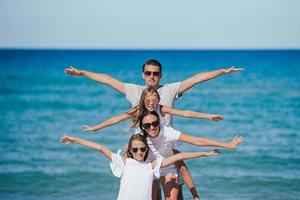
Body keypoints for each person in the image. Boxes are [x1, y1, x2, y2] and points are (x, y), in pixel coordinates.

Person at [65, 59, 244, 199]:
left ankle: (195, 196)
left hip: (166, 145)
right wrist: (82, 73)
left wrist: (222, 72)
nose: (152, 76)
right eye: (148, 73)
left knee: (179, 167)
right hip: (143, 149)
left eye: (155, 74)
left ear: (161, 75)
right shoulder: (135, 92)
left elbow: (196, 81)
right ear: (143, 74)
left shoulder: (170, 91)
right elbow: (109, 81)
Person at [60, 134, 220, 200]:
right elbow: (101, 148)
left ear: (146, 150)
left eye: (142, 149)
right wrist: (77, 140)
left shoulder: (152, 165)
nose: (139, 152)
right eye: (135, 149)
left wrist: (204, 153)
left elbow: (180, 157)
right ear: (130, 150)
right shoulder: (124, 162)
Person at [138, 111, 244, 200]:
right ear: (142, 127)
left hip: (168, 168)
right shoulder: (140, 138)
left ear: (159, 123)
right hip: (149, 169)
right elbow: (129, 154)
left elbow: (196, 140)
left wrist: (226, 144)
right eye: (147, 125)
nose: (152, 127)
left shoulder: (168, 132)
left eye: (155, 123)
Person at [82, 85, 223, 132]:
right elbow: (116, 119)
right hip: (143, 143)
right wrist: (95, 128)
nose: (151, 103)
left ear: (158, 100)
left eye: (154, 100)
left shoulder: (161, 109)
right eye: (148, 100)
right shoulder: (137, 110)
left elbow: (184, 113)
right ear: (143, 100)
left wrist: (208, 116)